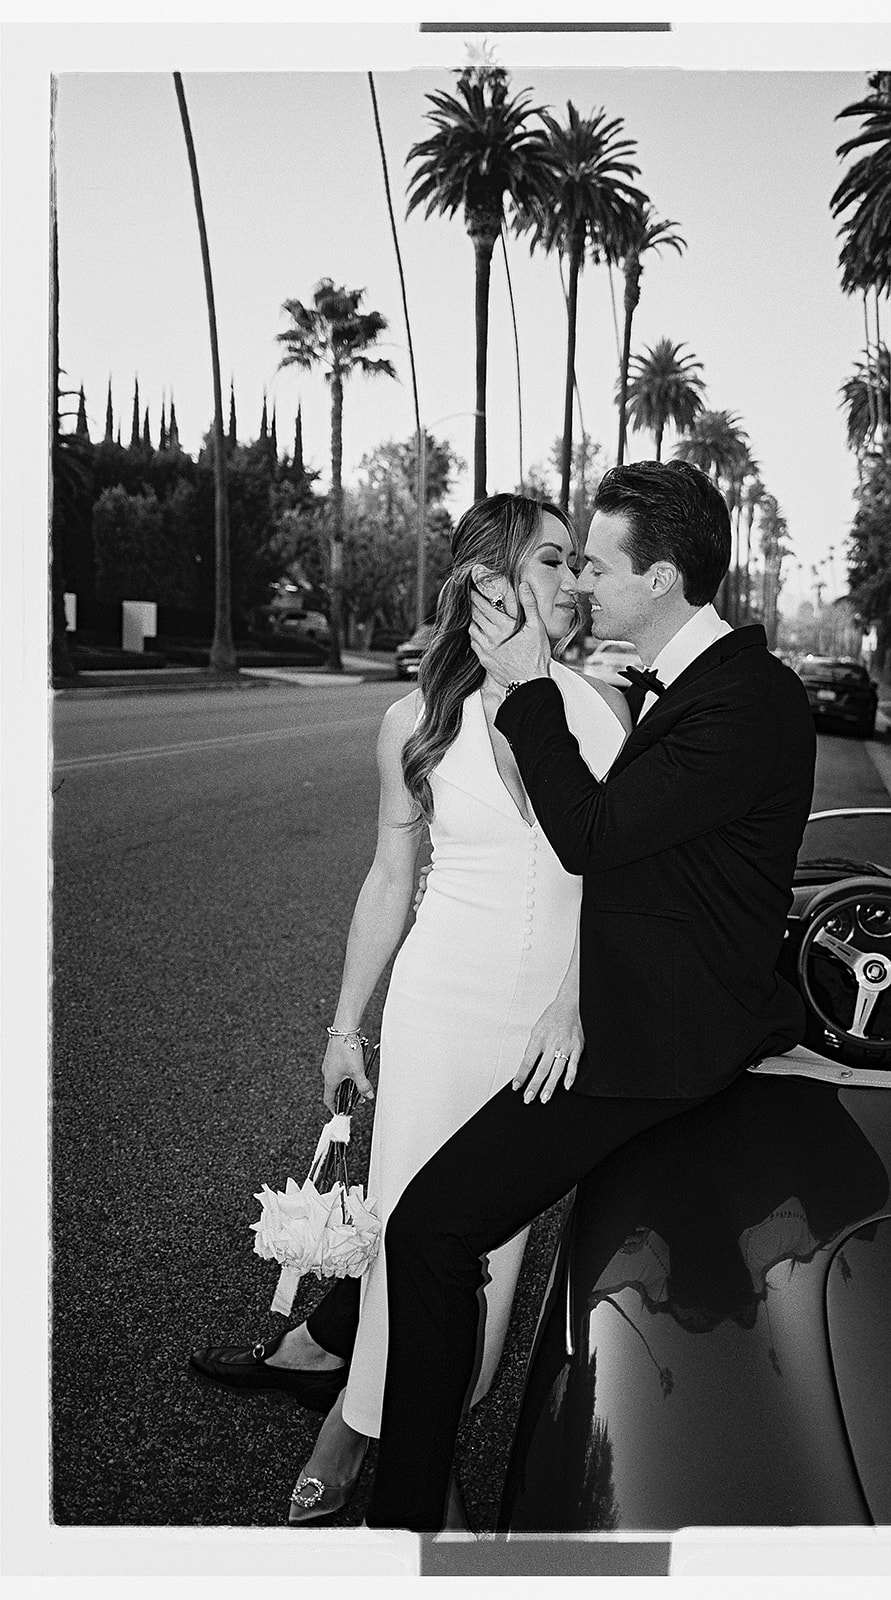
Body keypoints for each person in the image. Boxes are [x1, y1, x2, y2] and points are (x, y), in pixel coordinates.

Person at [360, 459, 817, 1532]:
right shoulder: (715, 685)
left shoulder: (745, 698)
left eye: (598, 567)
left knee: (427, 1230)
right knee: (430, 1229)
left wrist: (523, 688)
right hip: (622, 1014)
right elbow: (634, 867)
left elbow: (592, 835)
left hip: (649, 1043)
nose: (582, 588)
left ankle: (404, 1523)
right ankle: (408, 1498)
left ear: (657, 580)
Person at [189, 494, 630, 1523]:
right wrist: (346, 1026)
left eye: (576, 564)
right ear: (486, 581)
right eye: (552, 561)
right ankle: (398, 1467)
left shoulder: (597, 705)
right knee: (404, 1241)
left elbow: (612, 876)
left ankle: (368, 1423)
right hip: (436, 1008)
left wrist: (571, 1002)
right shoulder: (410, 721)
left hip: (543, 1028)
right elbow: (390, 879)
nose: (572, 582)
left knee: (487, 1255)